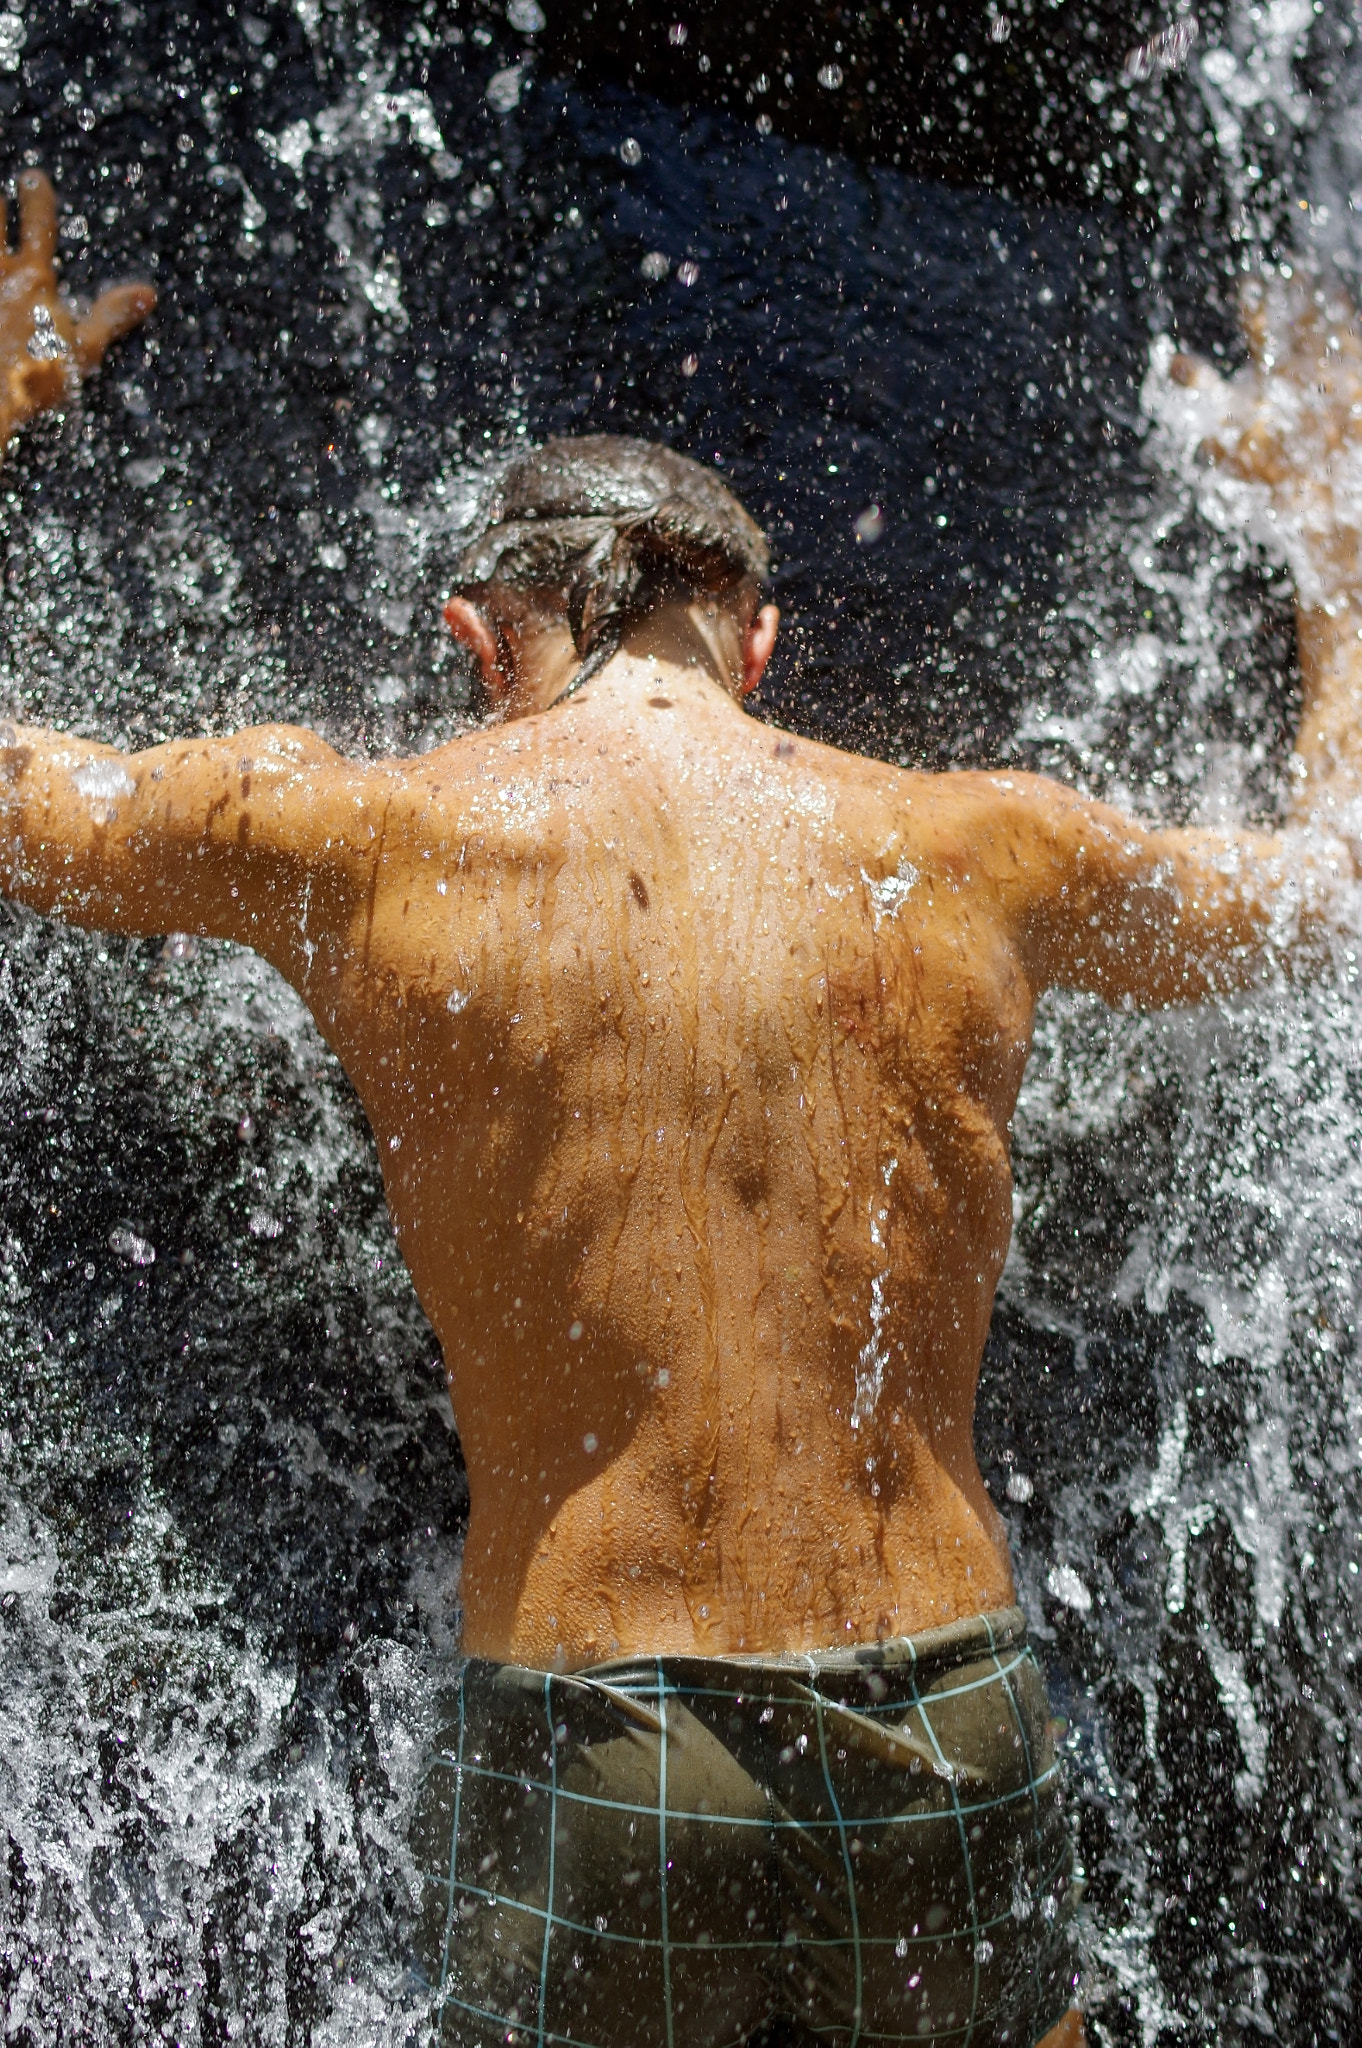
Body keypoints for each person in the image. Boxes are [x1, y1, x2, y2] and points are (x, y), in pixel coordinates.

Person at [0, 169, 1356, 2048]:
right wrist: (1332, 534)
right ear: (760, 645)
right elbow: (1327, 891)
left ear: (480, 642)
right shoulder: (976, 846)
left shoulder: (355, 836)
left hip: (596, 1727)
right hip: (942, 1704)